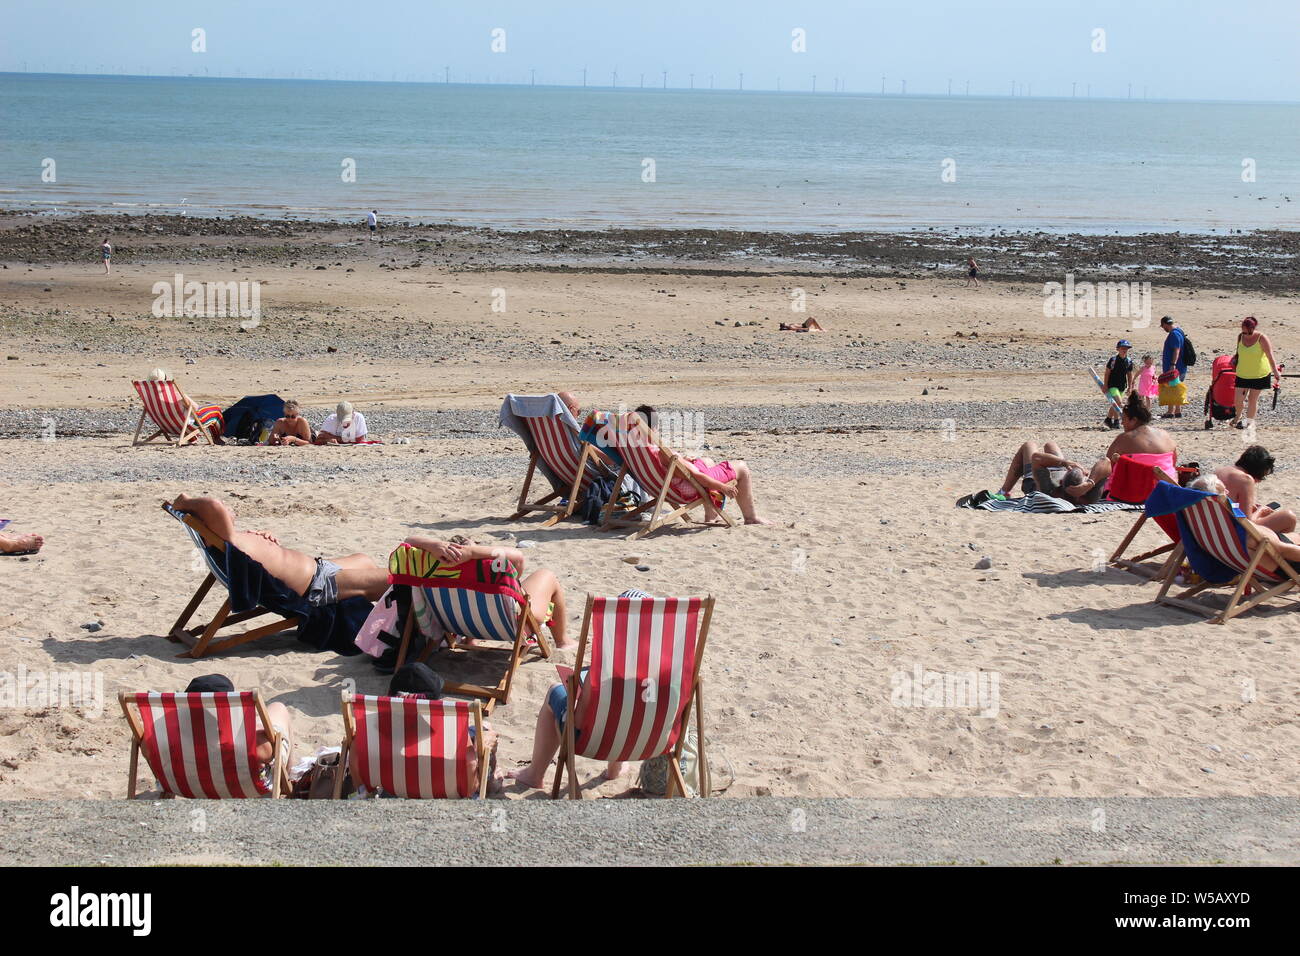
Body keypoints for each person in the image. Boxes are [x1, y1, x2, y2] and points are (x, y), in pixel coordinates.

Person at [505, 588, 651, 791]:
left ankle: (534, 774)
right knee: (628, 706)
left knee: (555, 691)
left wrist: (577, 694)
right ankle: (615, 768)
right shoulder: (668, 662)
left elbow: (580, 720)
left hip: (597, 741)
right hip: (648, 739)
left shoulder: (605, 664)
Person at [170, 493, 388, 603]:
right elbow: (212, 505)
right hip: (317, 586)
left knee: (364, 559)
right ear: (212, 522)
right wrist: (185, 501)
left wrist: (265, 540)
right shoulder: (228, 540)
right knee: (395, 579)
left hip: (319, 569)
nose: (228, 508)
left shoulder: (234, 541)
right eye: (227, 509)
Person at [997, 394, 1176, 503]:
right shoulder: (1166, 436)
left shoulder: (1125, 439)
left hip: (1130, 493)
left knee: (1029, 445)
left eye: (1124, 419)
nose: (1121, 423)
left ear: (1134, 420)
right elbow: (1173, 463)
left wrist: (1087, 479)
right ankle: (1005, 491)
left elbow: (1107, 463)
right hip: (1161, 491)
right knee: (1051, 445)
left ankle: (1004, 491)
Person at [402, 532, 570, 647]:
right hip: (517, 627)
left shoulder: (432, 571)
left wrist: (434, 545)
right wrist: (474, 552)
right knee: (547, 575)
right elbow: (518, 558)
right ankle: (563, 641)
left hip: (458, 624)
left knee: (469, 597)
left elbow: (407, 542)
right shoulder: (489, 569)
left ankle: (471, 640)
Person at [633, 404, 771, 525]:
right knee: (741, 467)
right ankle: (751, 518)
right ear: (654, 428)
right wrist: (722, 487)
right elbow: (696, 476)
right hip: (684, 489)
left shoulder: (636, 449)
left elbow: (673, 467)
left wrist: (683, 459)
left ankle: (711, 517)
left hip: (659, 487)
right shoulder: (663, 452)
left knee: (708, 461)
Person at [185, 674, 293, 790]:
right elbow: (268, 754)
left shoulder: (174, 735)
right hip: (243, 787)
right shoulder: (236, 737)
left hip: (194, 784)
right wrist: (257, 729)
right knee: (279, 708)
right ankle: (288, 781)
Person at [1215, 445, 1296, 535]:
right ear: (1257, 470)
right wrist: (1261, 511)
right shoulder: (1245, 479)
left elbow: (1230, 503)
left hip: (1216, 530)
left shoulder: (1219, 471)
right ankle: (1278, 547)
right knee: (1288, 517)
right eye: (1262, 476)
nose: (1260, 481)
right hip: (1235, 535)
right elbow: (1247, 523)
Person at [1230, 316, 1280, 431]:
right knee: (1238, 399)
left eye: (1248, 332)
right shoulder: (1240, 337)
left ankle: (1248, 423)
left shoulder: (1262, 338)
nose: (1245, 334)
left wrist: (1275, 371)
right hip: (1242, 373)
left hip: (1259, 374)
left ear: (1253, 328)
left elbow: (1270, 356)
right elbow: (1238, 353)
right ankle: (1238, 416)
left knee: (1253, 399)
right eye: (1243, 332)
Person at [1158, 315, 1189, 419]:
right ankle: (1177, 411)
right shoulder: (1179, 331)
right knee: (1176, 388)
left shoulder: (1174, 335)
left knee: (1172, 388)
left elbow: (1176, 350)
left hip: (1175, 367)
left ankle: (1171, 412)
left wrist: (1173, 364)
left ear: (1165, 324)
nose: (1163, 329)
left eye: (1163, 326)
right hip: (1181, 366)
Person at [1102, 339, 1136, 429]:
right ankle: (1112, 420)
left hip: (1122, 385)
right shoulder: (1113, 360)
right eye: (1122, 348)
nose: (1124, 350)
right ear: (1118, 349)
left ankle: (1112, 420)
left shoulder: (1128, 361)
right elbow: (1107, 373)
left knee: (1115, 403)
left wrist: (1130, 386)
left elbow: (1129, 374)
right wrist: (1105, 385)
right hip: (1112, 385)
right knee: (1118, 402)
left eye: (1126, 348)